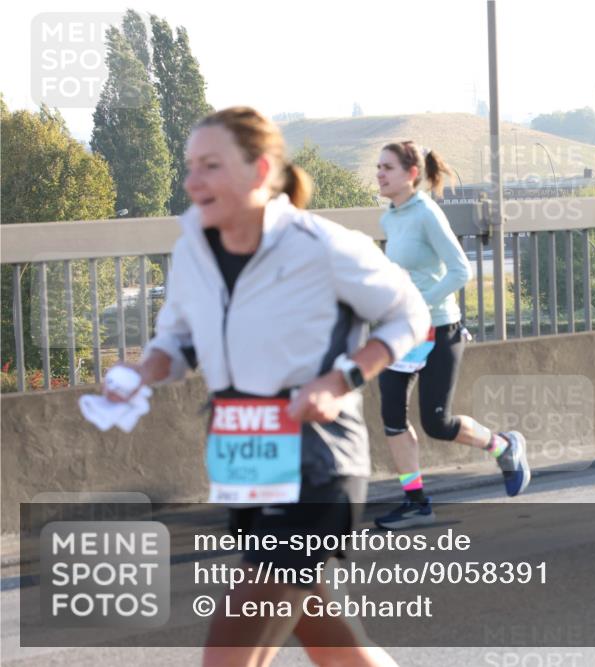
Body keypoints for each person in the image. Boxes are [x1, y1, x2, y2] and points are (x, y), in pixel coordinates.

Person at [103, 107, 429, 667]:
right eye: (190, 166)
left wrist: (341, 378)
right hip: (244, 459)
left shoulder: (318, 246)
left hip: (318, 462)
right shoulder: (192, 250)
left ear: (258, 171)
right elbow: (178, 339)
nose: (192, 181)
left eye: (210, 165)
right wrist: (142, 371)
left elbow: (409, 314)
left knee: (228, 653)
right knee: (333, 643)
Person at [373, 141, 530, 530]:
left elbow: (462, 271)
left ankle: (503, 446)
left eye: (387, 167)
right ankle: (415, 502)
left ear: (411, 174)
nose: (379, 173)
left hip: (441, 329)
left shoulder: (427, 213)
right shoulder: (390, 218)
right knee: (392, 415)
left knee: (436, 423)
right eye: (378, 167)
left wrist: (419, 302)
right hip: (404, 331)